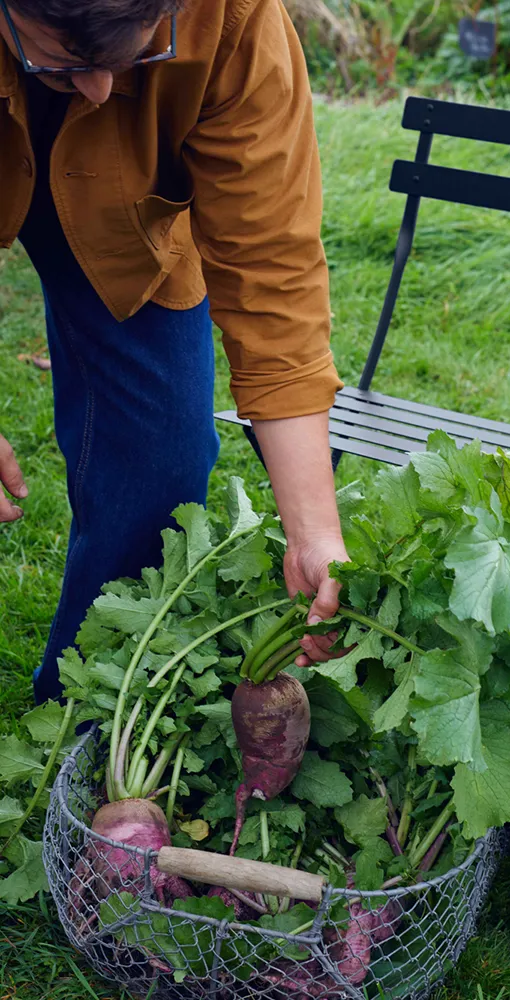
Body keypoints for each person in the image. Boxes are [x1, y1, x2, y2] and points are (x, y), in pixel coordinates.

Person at [0, 0, 348, 704]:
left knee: (163, 466)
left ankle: (84, 708)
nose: (98, 91)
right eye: (63, 64)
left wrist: (314, 529)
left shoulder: (236, 17)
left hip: (130, 216)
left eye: (132, 57)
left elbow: (271, 269)